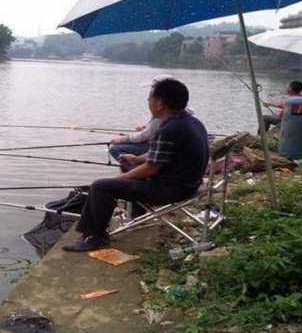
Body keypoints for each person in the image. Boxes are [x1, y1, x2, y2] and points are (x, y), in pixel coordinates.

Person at [62, 78, 209, 252]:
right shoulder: (191, 122)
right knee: (125, 168)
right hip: (188, 183)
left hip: (172, 190)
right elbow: (161, 155)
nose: (148, 103)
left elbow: (151, 168)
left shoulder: (170, 129)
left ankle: (95, 237)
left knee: (100, 186)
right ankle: (137, 213)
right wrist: (135, 159)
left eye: (150, 100)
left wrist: (120, 178)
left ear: (160, 104)